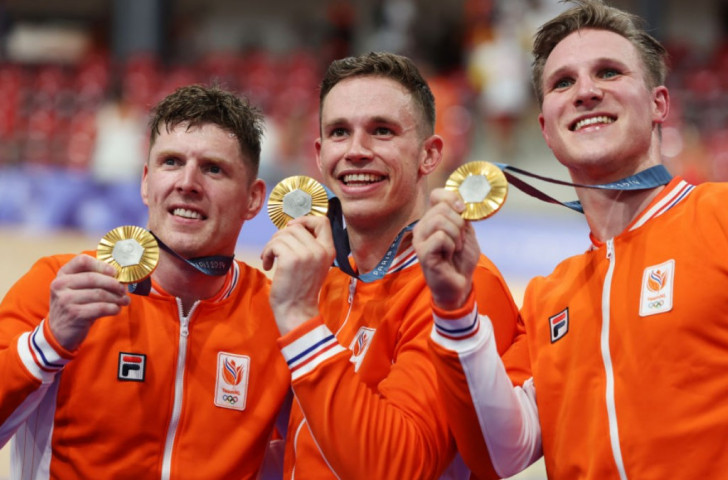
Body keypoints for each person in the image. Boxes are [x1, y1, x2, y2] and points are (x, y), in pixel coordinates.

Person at [416, 0, 728, 478]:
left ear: (659, 104)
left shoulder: (719, 218)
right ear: (546, 128)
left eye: (608, 72)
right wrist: (455, 308)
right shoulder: (548, 298)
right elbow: (501, 454)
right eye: (563, 82)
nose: (585, 92)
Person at [0, 84, 290, 479]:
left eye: (213, 168)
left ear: (254, 198)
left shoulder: (282, 315)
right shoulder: (62, 285)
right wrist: (47, 344)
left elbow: (315, 456)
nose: (188, 182)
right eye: (171, 162)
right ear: (145, 182)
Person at [260, 52, 527, 479]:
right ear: (320, 152)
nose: (356, 151)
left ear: (429, 154)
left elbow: (397, 466)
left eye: (381, 131)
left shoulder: (462, 287)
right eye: (339, 132)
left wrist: (298, 316)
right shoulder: (321, 278)